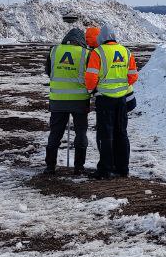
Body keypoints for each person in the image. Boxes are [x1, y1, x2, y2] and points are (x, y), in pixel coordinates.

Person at [84, 24, 138, 179]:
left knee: (105, 134)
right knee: (121, 133)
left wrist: (91, 90)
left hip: (105, 100)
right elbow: (133, 76)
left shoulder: (97, 53)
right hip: (121, 99)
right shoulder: (126, 52)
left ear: (101, 38)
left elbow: (91, 78)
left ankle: (105, 169)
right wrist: (121, 86)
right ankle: (123, 169)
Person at [43, 26, 90, 174]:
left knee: (55, 133)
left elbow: (48, 71)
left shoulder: (54, 51)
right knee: (81, 133)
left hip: (58, 100)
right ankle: (79, 167)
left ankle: (50, 167)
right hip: (80, 100)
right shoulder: (86, 53)